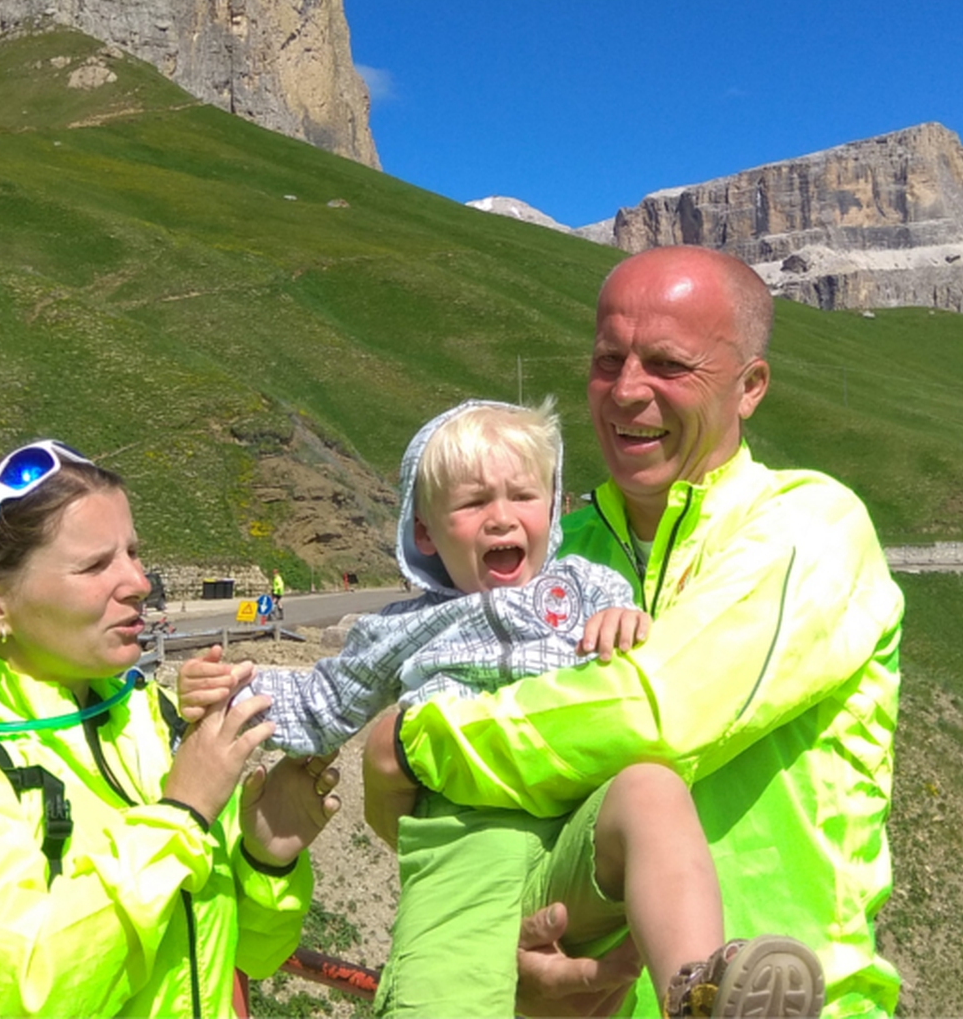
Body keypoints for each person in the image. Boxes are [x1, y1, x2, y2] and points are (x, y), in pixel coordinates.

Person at [369, 247, 906, 1019]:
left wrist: (413, 741)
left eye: (668, 364)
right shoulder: (556, 554)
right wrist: (508, 949)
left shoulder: (811, 527)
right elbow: (440, 820)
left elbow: (655, 714)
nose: (626, 391)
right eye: (606, 360)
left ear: (750, 386)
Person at [182, 401, 822, 1019]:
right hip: (465, 839)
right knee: (439, 1001)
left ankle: (697, 990)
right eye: (472, 503)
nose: (501, 518)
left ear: (553, 505)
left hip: (579, 825)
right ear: (426, 531)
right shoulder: (403, 627)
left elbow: (645, 662)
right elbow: (326, 697)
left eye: (523, 496)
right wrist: (227, 690)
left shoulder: (589, 587)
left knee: (651, 790)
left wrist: (627, 621)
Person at [0, 439, 338, 1017]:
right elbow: (17, 999)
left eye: (133, 553)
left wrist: (267, 859)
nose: (138, 582)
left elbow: (248, 957)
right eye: (95, 565)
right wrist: (180, 815)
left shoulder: (154, 723)